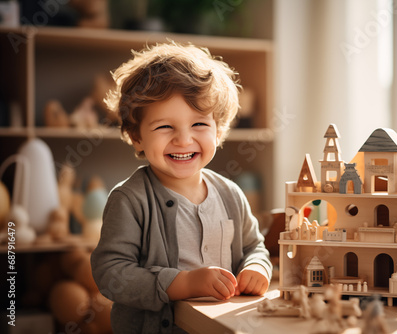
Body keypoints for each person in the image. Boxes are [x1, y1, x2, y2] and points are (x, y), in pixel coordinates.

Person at [91, 41, 272, 334]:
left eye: (199, 124)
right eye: (165, 127)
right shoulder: (129, 199)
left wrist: (256, 268)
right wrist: (182, 284)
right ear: (136, 137)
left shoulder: (231, 194)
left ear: (218, 130)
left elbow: (254, 246)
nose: (184, 140)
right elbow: (110, 274)